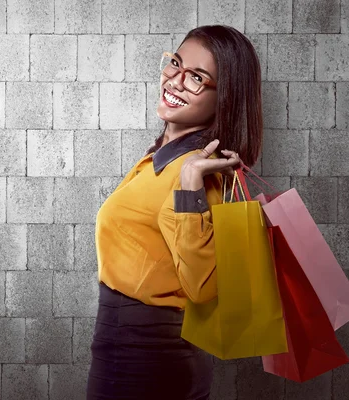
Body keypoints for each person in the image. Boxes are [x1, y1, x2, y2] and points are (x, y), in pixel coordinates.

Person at [86, 25, 263, 399]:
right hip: (127, 351)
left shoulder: (197, 172)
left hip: (147, 358)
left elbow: (202, 287)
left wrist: (191, 183)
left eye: (197, 78)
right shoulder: (160, 158)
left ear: (225, 98)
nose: (177, 81)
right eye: (176, 65)